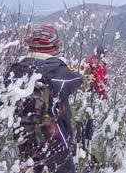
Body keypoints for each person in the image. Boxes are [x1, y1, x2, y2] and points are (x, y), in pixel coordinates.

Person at [5, 24, 83, 173]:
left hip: (24, 138)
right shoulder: (60, 73)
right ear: (54, 46)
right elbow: (79, 79)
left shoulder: (14, 71)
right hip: (55, 140)